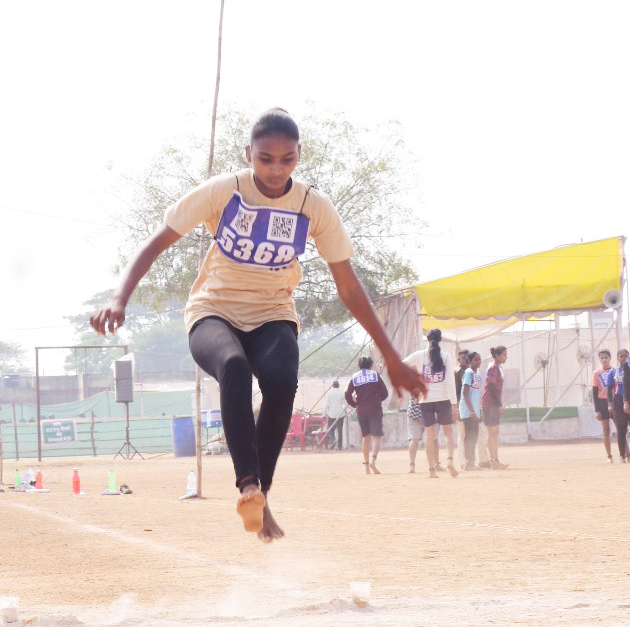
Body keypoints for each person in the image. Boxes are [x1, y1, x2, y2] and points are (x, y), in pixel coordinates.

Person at [91, 109, 424, 540]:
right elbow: (159, 239)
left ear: (299, 156)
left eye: (287, 159)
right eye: (265, 158)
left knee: (283, 382)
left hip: (273, 314)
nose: (275, 168)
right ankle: (248, 483)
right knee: (233, 367)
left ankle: (258, 497)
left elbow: (349, 287)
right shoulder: (225, 191)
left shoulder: (311, 206)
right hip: (214, 311)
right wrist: (120, 297)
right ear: (248, 153)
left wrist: (393, 358)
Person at [403, 329, 460, 478]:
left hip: (425, 400)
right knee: (448, 433)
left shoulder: (419, 355)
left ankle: (431, 470)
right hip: (443, 399)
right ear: (441, 339)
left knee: (429, 436)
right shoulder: (446, 357)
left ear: (427, 339)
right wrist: (454, 404)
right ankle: (449, 461)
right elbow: (450, 383)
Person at [345, 356, 387, 473]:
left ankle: (367, 466)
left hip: (361, 410)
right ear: (371, 364)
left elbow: (348, 395)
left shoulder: (355, 377)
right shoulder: (375, 375)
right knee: (376, 437)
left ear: (359, 365)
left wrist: (355, 404)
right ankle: (373, 461)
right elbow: (385, 393)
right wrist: (378, 400)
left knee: (366, 438)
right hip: (375, 409)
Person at [612, 349, 630, 462]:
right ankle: (622, 455)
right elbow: (609, 389)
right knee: (621, 429)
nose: (623, 358)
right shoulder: (614, 371)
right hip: (618, 400)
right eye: (621, 356)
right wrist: (610, 403)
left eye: (626, 356)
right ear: (617, 358)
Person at [483, 346, 507, 469]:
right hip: (489, 404)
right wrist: (499, 404)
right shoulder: (493, 369)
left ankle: (495, 460)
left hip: (493, 404)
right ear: (497, 356)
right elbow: (492, 387)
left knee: (495, 432)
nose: (506, 357)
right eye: (504, 355)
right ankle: (493, 461)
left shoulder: (497, 368)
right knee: (492, 432)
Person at [458, 350, 482, 472]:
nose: (478, 362)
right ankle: (469, 462)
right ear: (470, 361)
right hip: (468, 410)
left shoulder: (478, 373)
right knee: (469, 436)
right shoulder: (468, 373)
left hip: (475, 409)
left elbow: (477, 394)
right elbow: (465, 393)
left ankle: (472, 462)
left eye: (479, 359)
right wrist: (472, 411)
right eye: (475, 360)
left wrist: (479, 410)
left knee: (475, 435)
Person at [591, 349, 617, 462]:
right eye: (601, 358)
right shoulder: (596, 373)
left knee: (620, 428)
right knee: (606, 430)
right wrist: (597, 409)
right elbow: (595, 392)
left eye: (606, 357)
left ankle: (626, 453)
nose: (604, 360)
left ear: (610, 358)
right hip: (602, 402)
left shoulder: (615, 371)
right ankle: (609, 456)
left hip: (614, 401)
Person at [323, 379, 348, 450]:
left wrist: (323, 414)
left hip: (332, 414)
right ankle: (340, 446)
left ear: (332, 386)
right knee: (340, 430)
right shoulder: (342, 393)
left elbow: (325, 405)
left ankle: (333, 440)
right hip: (340, 414)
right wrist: (353, 409)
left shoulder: (329, 393)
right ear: (339, 385)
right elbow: (346, 403)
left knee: (331, 429)